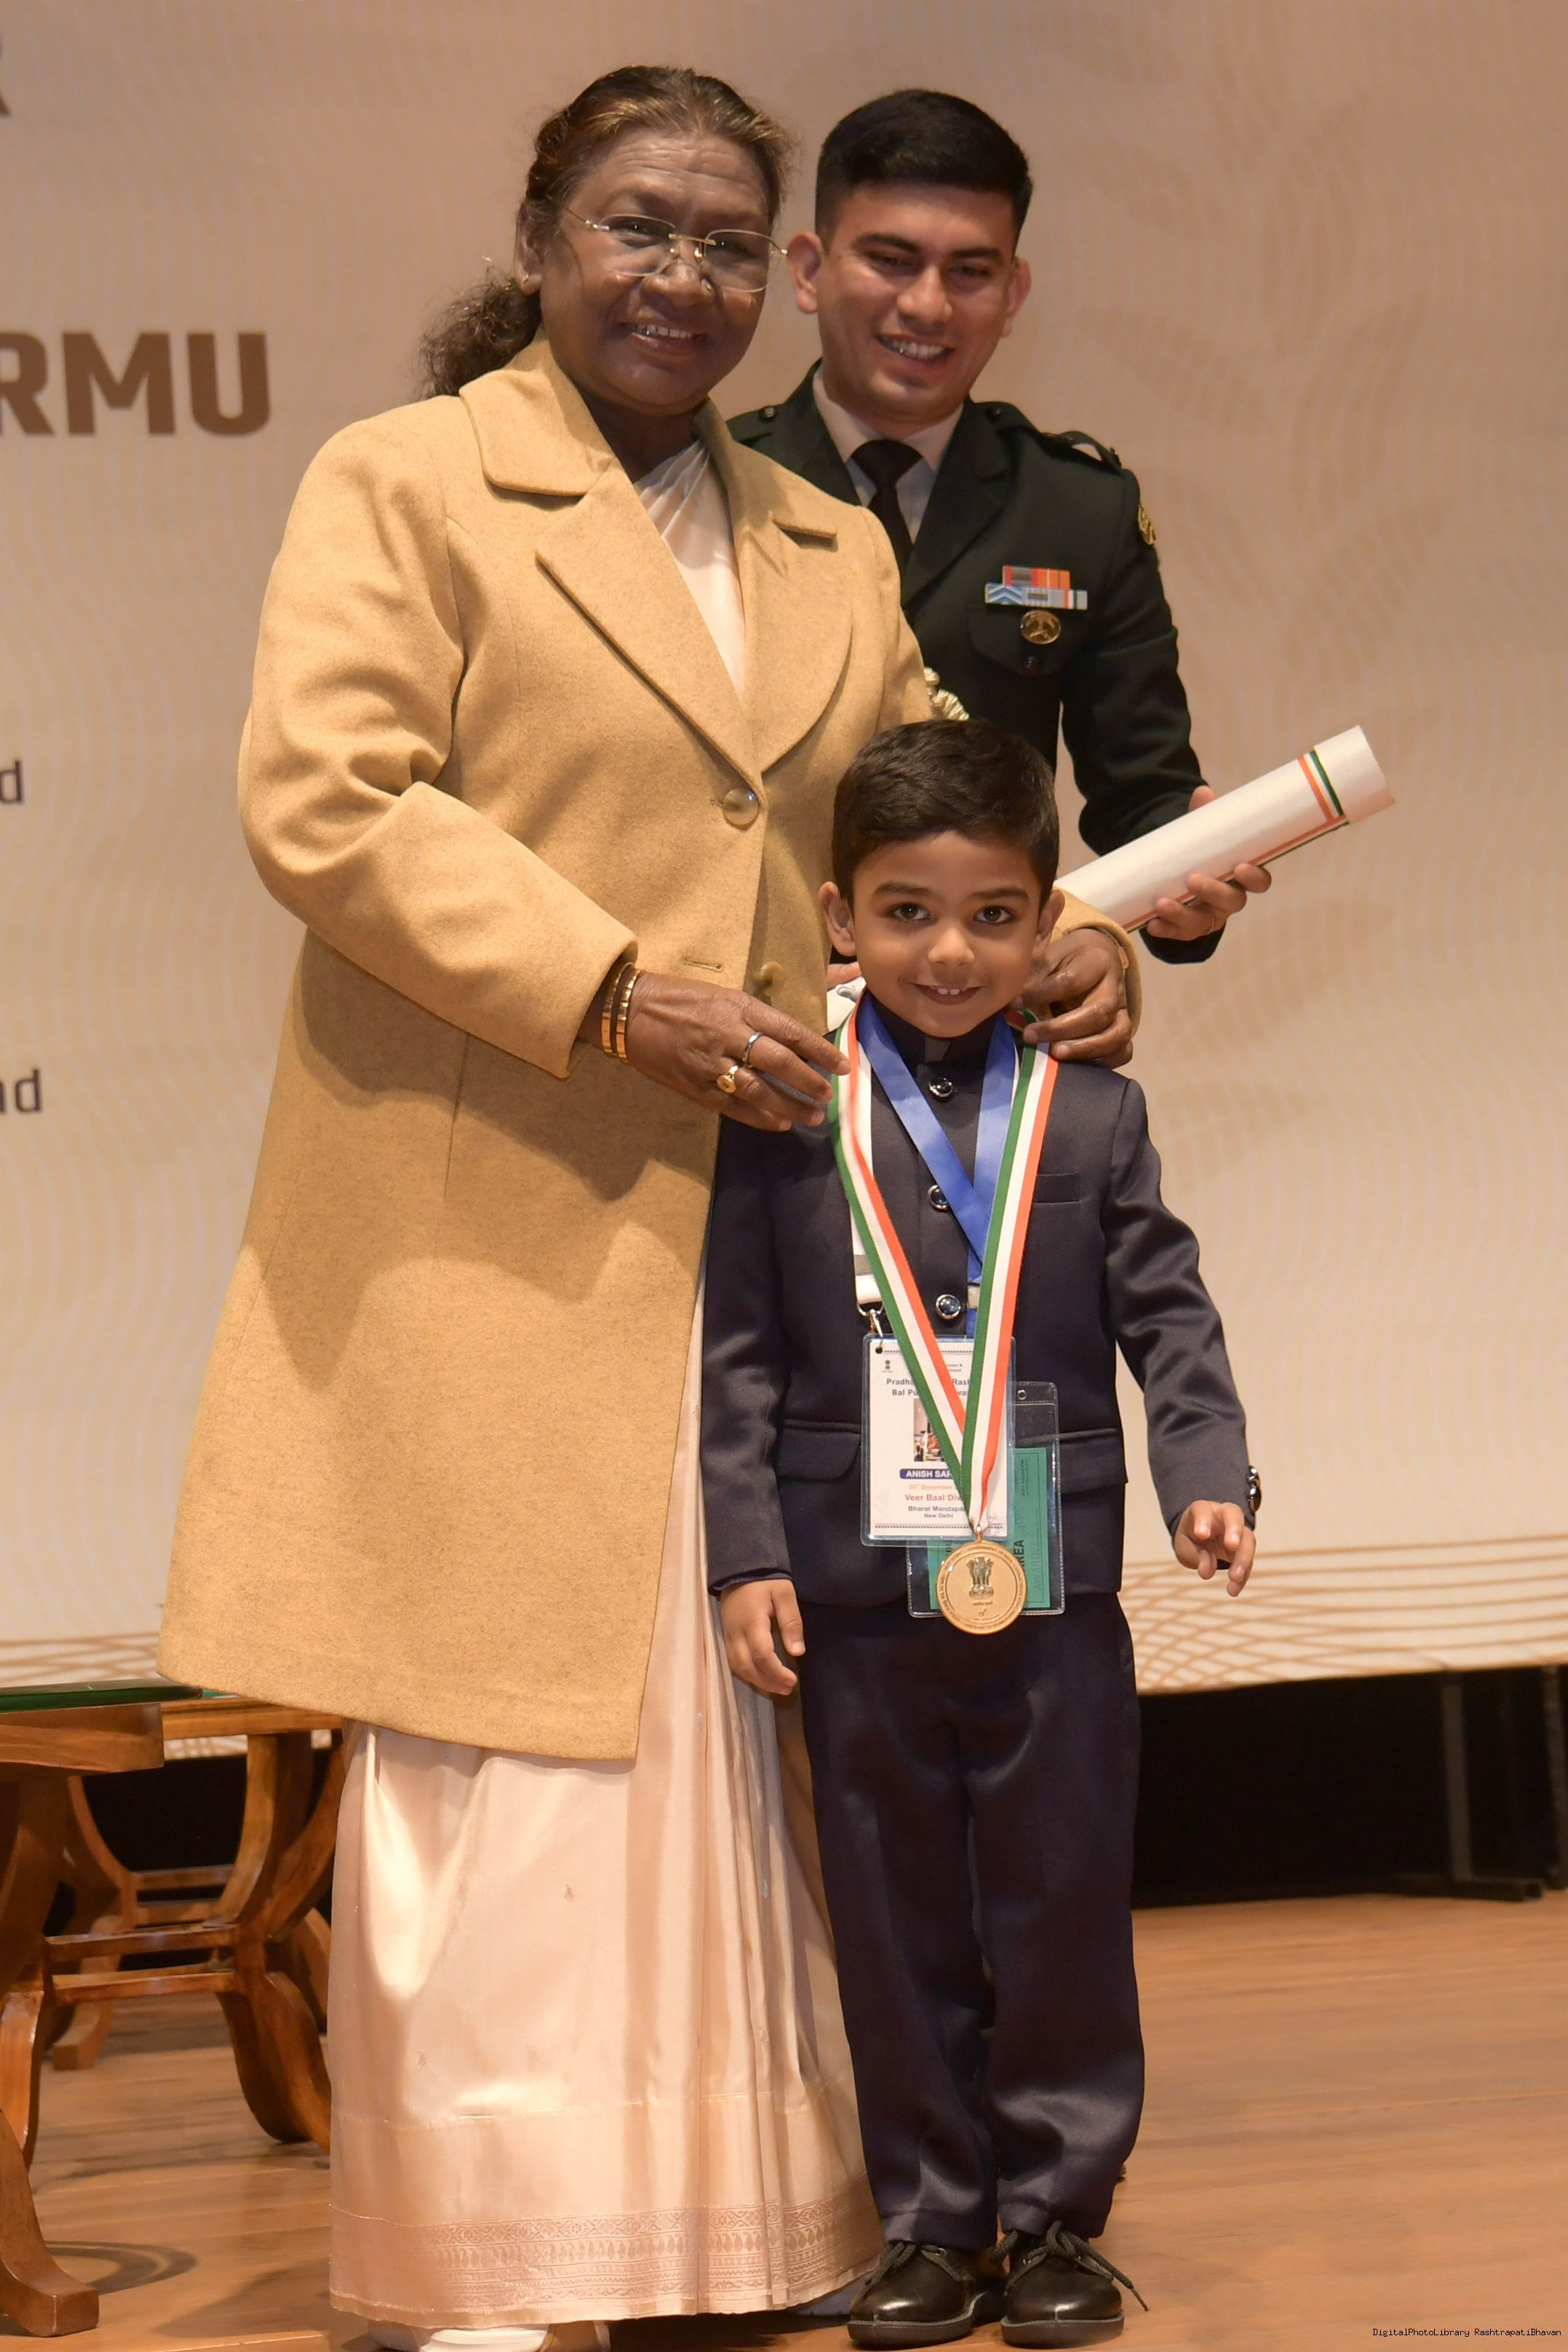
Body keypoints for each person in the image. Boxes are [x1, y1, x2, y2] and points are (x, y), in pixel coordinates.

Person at [157, 65, 1137, 2352]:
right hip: (490, 1208)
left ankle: (736, 2235)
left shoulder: (819, 539)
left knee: (734, 1740)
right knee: (503, 1753)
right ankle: (495, 2262)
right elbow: (327, 797)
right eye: (634, 225)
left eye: (717, 238)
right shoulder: (404, 481)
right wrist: (611, 989)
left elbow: (925, 801)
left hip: (763, 1230)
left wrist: (1066, 925)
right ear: (540, 237)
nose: (678, 276)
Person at [701, 717, 1256, 2345]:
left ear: (1045, 920)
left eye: (994, 915)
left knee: (1060, 1896)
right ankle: (932, 2218)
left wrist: (1208, 1469)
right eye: (908, 912)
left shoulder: (1094, 1115)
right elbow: (739, 1349)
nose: (950, 951)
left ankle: (1060, 2214)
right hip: (851, 1588)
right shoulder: (788, 1116)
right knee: (893, 1915)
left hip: (1052, 1577)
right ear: (838, 915)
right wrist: (747, 1549)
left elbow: (1170, 1312)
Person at [731, 87, 1273, 966]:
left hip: (982, 1006)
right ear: (807, 269)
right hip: (757, 999)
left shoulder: (1075, 510)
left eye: (970, 272)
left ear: (1013, 292)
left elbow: (1142, 797)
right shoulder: (714, 486)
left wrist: (1189, 879)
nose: (927, 306)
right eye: (891, 260)